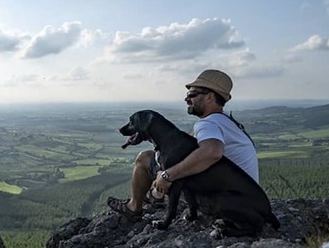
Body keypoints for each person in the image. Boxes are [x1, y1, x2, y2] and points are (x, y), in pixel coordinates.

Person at [107, 69, 259, 219]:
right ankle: (155, 197)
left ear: (210, 97)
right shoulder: (225, 120)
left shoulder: (208, 125)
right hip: (244, 200)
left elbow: (212, 152)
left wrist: (167, 176)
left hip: (221, 201)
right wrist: (147, 136)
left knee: (145, 158)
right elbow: (183, 143)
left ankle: (134, 207)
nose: (186, 99)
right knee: (166, 160)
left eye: (192, 94)